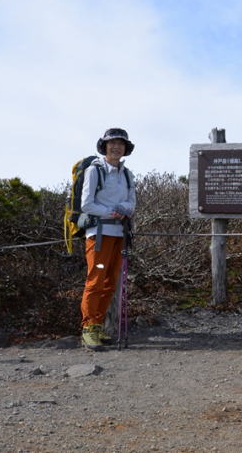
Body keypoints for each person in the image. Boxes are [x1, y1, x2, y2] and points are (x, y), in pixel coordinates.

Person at [79, 128, 137, 350]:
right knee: (96, 280)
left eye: (120, 144)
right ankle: (89, 327)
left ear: (125, 148)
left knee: (110, 282)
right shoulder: (95, 171)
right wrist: (111, 211)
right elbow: (86, 203)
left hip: (119, 235)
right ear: (104, 146)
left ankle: (98, 326)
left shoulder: (127, 174)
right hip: (99, 234)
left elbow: (132, 203)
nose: (116, 147)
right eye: (111, 143)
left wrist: (124, 210)